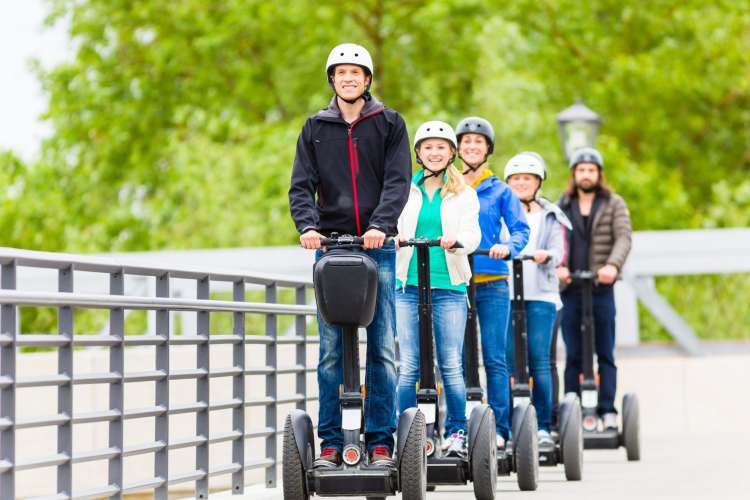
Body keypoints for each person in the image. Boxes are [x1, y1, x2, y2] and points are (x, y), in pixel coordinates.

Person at [288, 43, 411, 467]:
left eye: (355, 73)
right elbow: (301, 184)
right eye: (341, 73)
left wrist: (381, 226)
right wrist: (307, 227)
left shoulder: (389, 123)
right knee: (330, 351)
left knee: (382, 348)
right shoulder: (315, 126)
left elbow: (398, 181)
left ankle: (379, 441)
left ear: (367, 80)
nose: (348, 79)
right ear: (332, 79)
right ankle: (330, 443)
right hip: (332, 250)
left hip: (378, 249)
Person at [395, 121, 481, 458]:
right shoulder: (404, 189)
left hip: (449, 286)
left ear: (451, 153)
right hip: (408, 284)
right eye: (428, 147)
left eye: (441, 147)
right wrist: (393, 237)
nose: (434, 153)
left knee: (450, 364)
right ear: (418, 153)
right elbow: (389, 223)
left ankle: (456, 432)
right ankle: (406, 432)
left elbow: (473, 235)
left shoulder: (464, 194)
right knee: (409, 366)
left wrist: (456, 242)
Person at [455, 117, 529, 448]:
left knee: (494, 356)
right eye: (466, 142)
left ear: (488, 149)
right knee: (455, 356)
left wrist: (507, 247)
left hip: (491, 280)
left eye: (478, 142)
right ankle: (455, 426)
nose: (471, 147)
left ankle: (499, 428)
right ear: (457, 148)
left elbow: (520, 230)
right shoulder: (448, 186)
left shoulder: (501, 190)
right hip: (456, 280)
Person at [556, 147, 632, 430]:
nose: (585, 175)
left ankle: (607, 409)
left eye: (591, 170)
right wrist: (559, 266)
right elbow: (554, 240)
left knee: (605, 353)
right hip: (571, 288)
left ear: (599, 174)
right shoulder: (562, 204)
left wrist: (612, 266)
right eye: (581, 170)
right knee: (573, 353)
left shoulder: (613, 203)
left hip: (601, 289)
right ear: (574, 174)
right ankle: (571, 411)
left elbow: (623, 237)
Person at [503, 152, 571, 450]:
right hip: (504, 293)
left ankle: (544, 425)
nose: (521, 183)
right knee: (504, 360)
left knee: (538, 359)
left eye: (527, 179)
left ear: (538, 182)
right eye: (516, 179)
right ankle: (503, 427)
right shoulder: (501, 211)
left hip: (541, 294)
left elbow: (559, 250)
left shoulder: (550, 215)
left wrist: (549, 256)